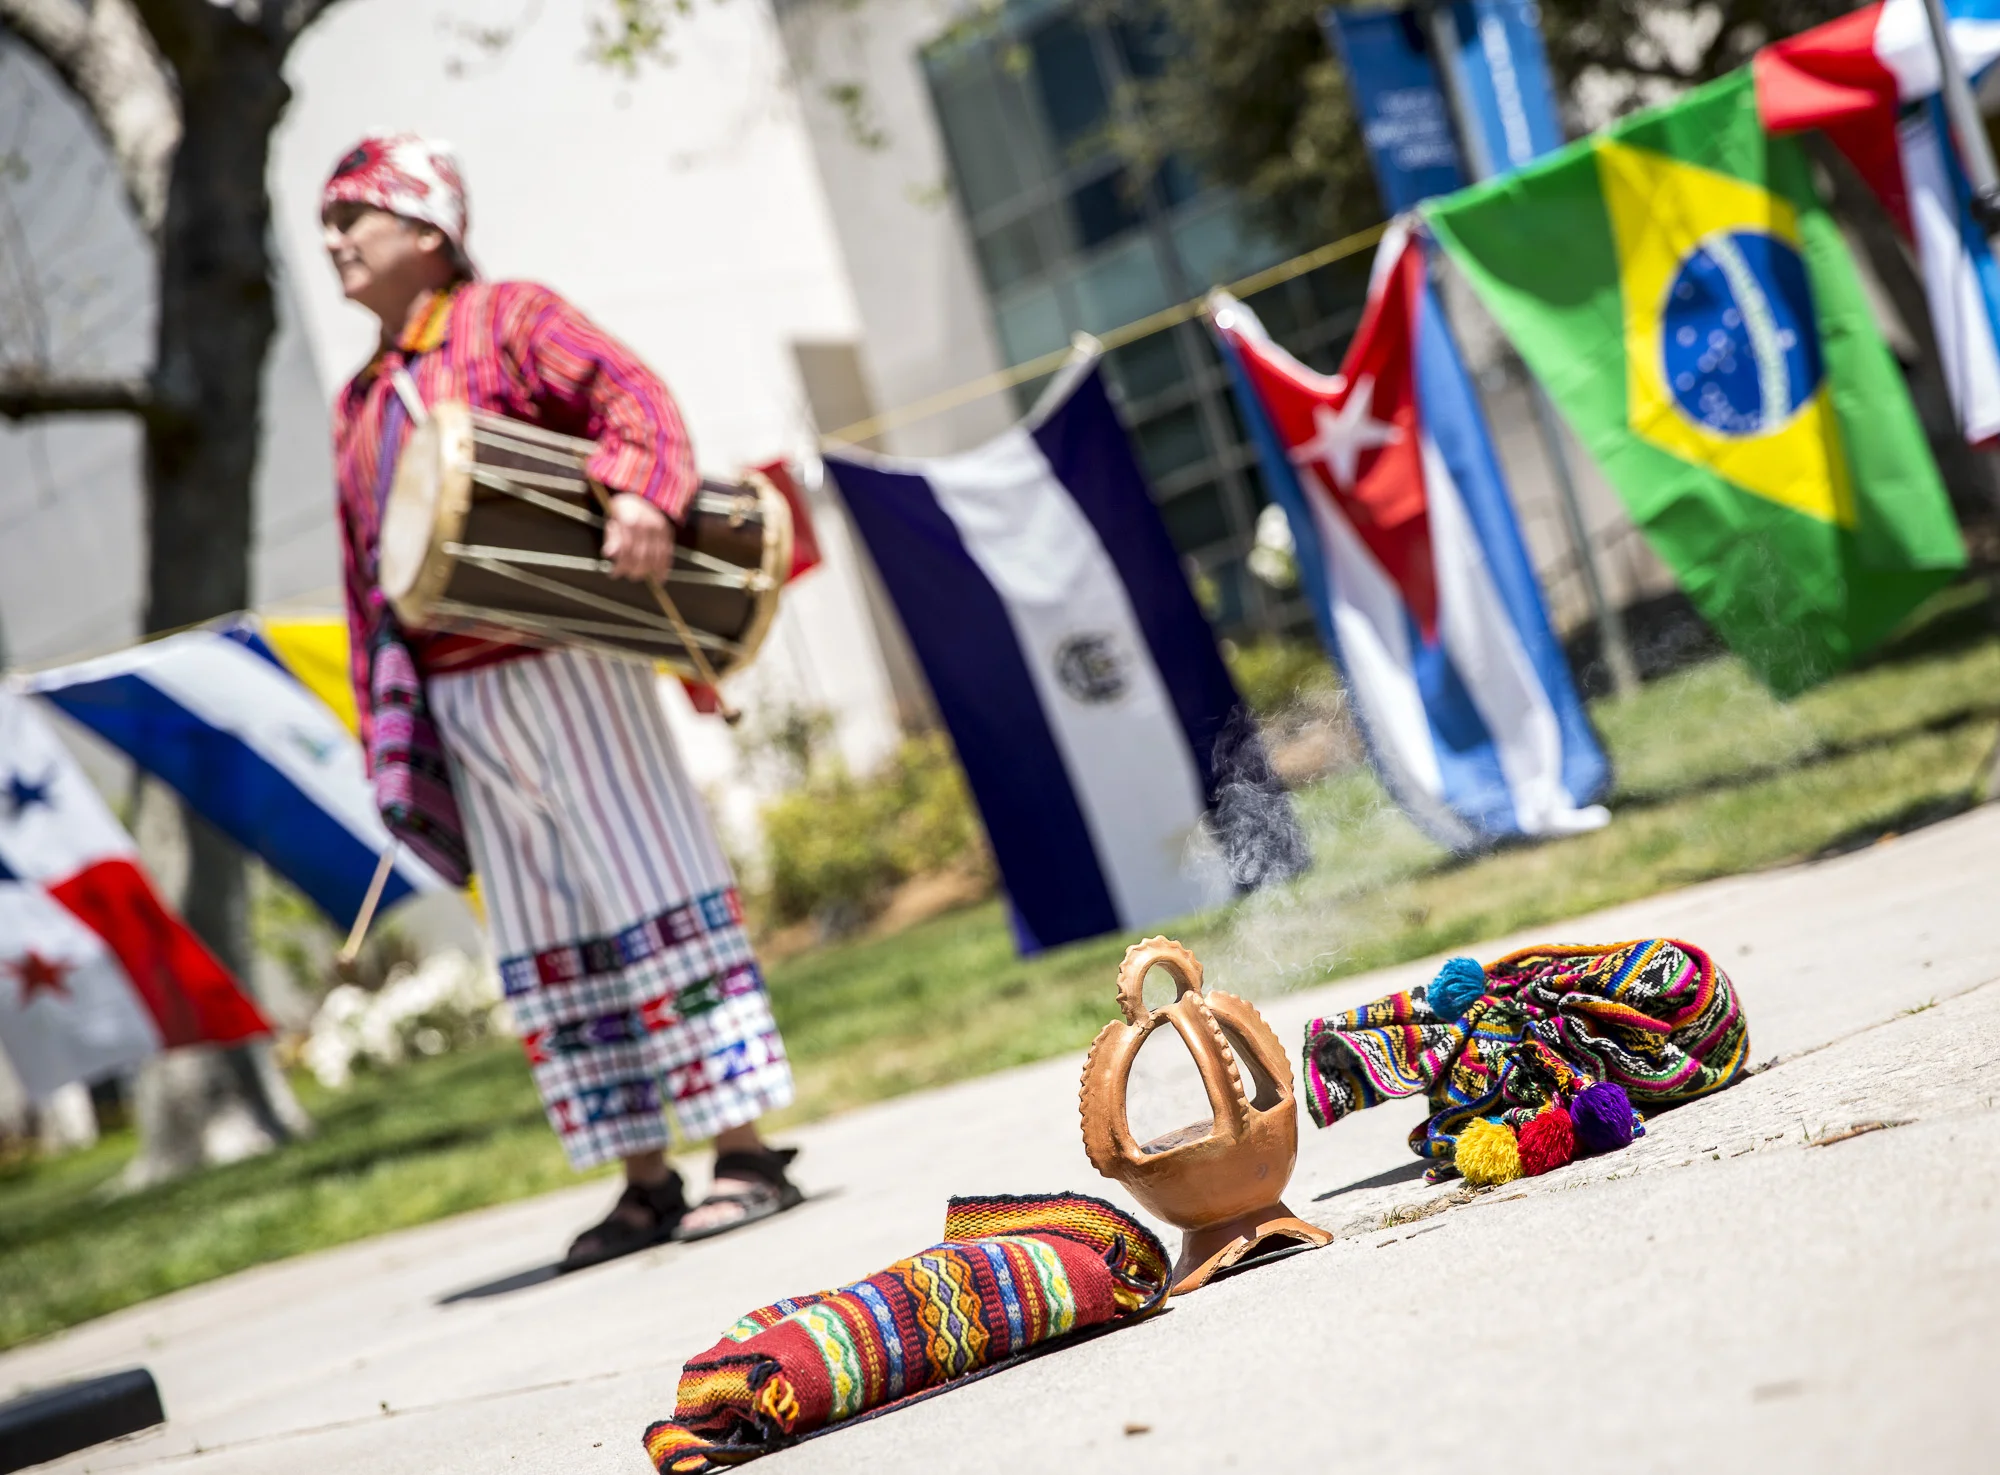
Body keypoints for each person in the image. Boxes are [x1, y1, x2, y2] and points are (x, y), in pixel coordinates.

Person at [321, 133, 800, 1269]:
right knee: (551, 931)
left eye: (354, 216)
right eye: (328, 224)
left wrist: (641, 494)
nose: (335, 240)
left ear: (428, 230)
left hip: (568, 663)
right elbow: (365, 577)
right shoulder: (356, 399)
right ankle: (644, 1178)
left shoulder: (509, 317)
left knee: (650, 887)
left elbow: (630, 396)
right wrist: (380, 724)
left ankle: (743, 1150)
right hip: (457, 697)